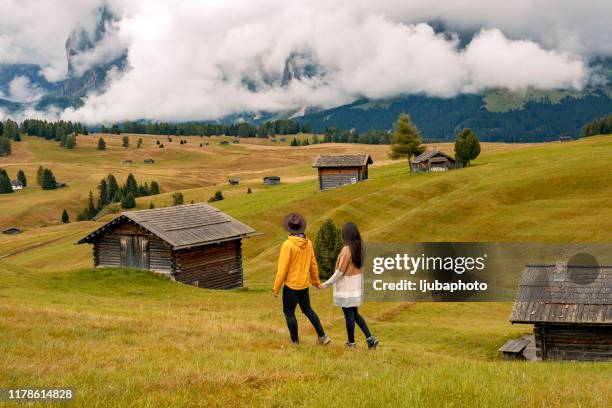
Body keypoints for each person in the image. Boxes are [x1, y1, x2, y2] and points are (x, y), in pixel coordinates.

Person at [273, 213, 331, 345]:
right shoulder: (308, 243)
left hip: (291, 287)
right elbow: (313, 265)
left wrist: (276, 287)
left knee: (289, 313)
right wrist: (316, 282)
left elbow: (282, 269)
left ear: (290, 228)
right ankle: (323, 336)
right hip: (304, 286)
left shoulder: (288, 245)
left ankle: (295, 342)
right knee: (308, 310)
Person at [320, 222, 379, 349]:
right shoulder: (360, 248)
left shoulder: (346, 251)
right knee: (355, 314)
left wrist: (326, 284)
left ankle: (351, 343)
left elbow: (339, 273)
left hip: (346, 289)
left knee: (349, 315)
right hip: (356, 288)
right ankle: (370, 339)